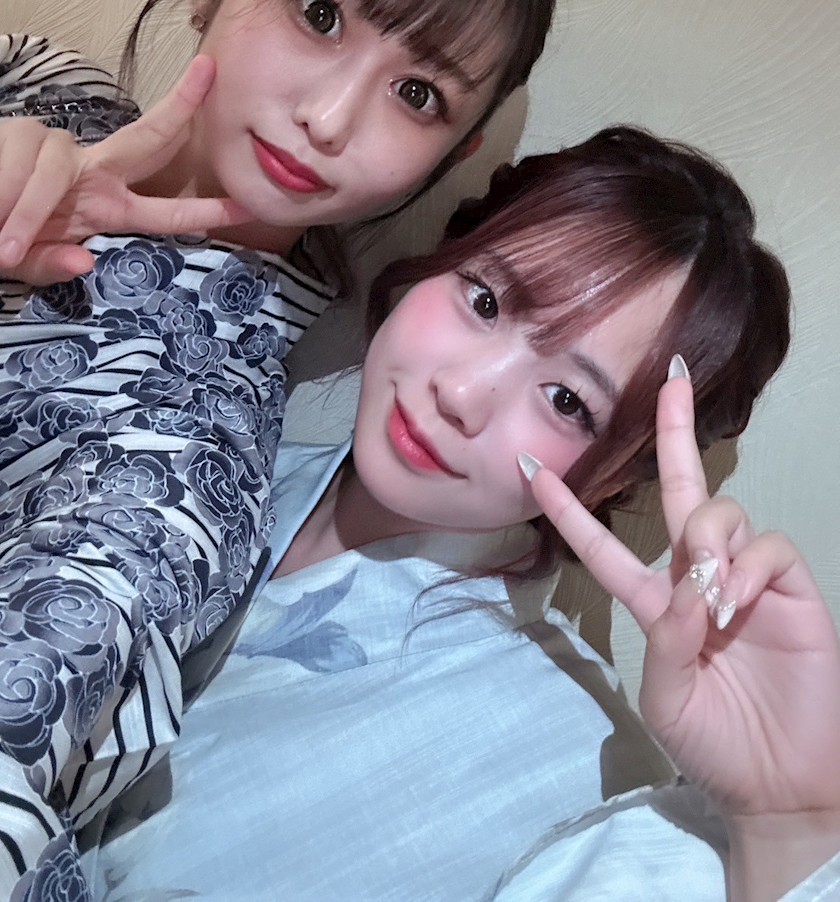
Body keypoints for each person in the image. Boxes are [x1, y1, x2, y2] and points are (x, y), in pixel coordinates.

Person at [0, 0, 564, 898]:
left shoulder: (182, 464)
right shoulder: (33, 79)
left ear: (455, 152)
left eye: (418, 93)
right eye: (319, 11)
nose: (333, 117)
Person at [74, 128, 837, 902]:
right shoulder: (195, 445)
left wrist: (789, 829)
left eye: (567, 400)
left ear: (616, 477)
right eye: (485, 300)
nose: (463, 393)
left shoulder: (573, 756)